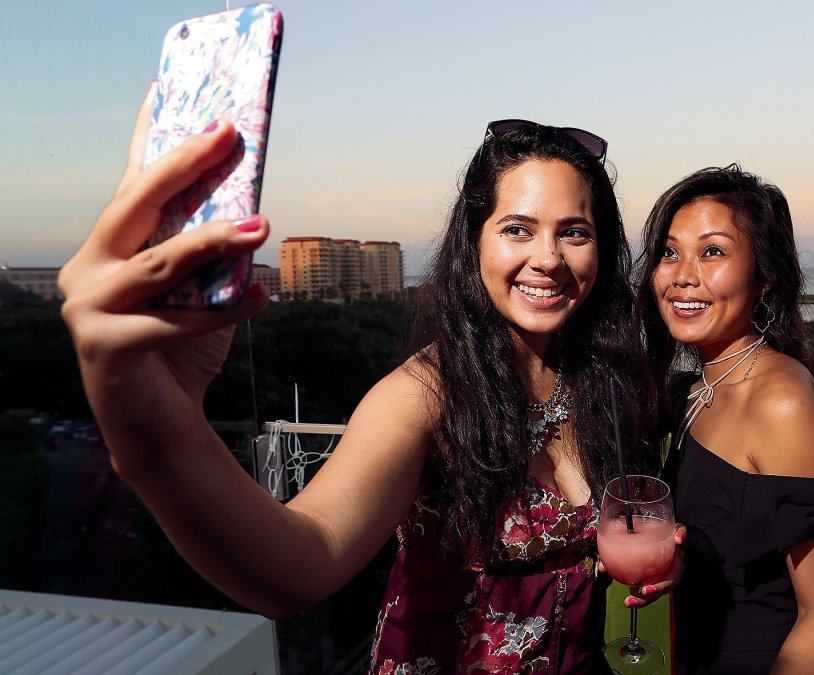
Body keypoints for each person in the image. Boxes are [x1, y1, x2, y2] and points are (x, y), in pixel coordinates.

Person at [58, 93, 678, 674]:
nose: (548, 257)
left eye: (574, 231)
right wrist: (162, 437)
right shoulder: (427, 394)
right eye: (517, 228)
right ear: (474, 241)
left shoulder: (601, 381)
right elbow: (297, 565)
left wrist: (654, 563)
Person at [636, 165, 814, 674]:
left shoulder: (781, 402)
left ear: (765, 277)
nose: (683, 274)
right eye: (669, 251)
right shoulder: (691, 389)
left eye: (712, 251)